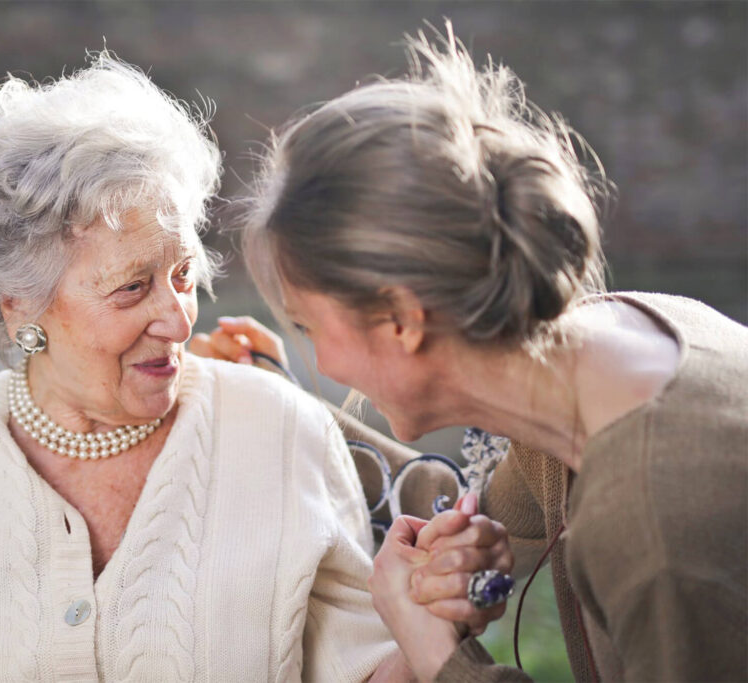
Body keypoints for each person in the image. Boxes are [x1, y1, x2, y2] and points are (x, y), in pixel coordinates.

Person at [0, 53, 438, 682]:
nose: (177, 320)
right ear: (20, 306)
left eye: (182, 274)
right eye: (132, 287)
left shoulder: (284, 431)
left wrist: (429, 622)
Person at [203, 25, 747, 683]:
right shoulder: (605, 353)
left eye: (307, 324)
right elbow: (473, 509)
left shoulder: (656, 527)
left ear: (402, 319)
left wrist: (439, 654)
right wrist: (279, 404)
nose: (325, 361)